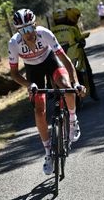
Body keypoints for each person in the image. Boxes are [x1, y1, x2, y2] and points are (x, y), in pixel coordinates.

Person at [8, 9, 85, 175]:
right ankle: (48, 153)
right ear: (17, 31)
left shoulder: (45, 34)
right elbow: (14, 73)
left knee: (66, 86)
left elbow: (65, 59)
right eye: (23, 30)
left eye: (29, 28)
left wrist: (76, 83)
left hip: (50, 60)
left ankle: (73, 120)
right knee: (39, 109)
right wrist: (28, 85)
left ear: (35, 25)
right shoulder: (14, 44)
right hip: (32, 70)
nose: (27, 33)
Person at [51, 8, 100, 101]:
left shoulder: (51, 31)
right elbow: (81, 40)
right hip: (66, 56)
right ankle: (93, 93)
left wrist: (81, 42)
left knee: (50, 72)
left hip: (70, 54)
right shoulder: (72, 28)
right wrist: (81, 42)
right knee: (87, 71)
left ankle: (53, 94)